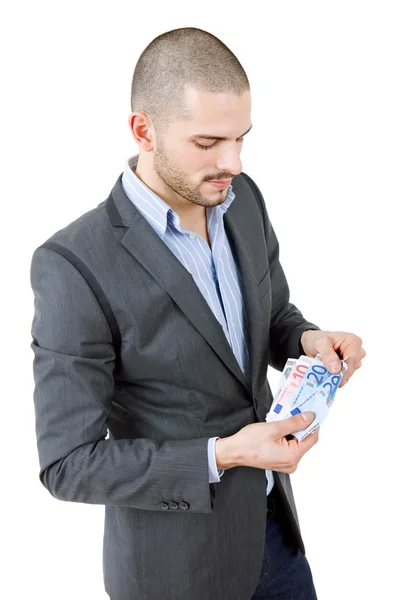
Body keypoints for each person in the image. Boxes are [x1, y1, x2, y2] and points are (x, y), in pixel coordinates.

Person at [30, 27, 365, 600]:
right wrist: (227, 453)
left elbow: (271, 313)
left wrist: (307, 340)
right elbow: (68, 464)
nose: (231, 162)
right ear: (144, 130)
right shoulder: (72, 264)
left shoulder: (242, 199)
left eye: (241, 139)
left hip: (275, 542)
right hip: (176, 573)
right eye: (208, 142)